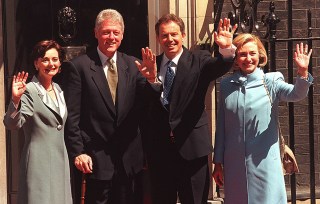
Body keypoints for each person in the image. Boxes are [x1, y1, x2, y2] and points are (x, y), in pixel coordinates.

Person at [135, 14, 237, 204]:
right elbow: (145, 106)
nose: (170, 39)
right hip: (160, 152)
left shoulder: (199, 60)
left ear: (183, 35)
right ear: (158, 38)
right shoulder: (150, 65)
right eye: (164, 35)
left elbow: (219, 66)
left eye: (174, 34)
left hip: (192, 150)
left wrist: (225, 49)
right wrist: (151, 80)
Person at [212, 33, 313, 204]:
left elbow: (296, 94)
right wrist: (218, 162)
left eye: (252, 53)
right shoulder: (226, 84)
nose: (248, 58)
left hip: (265, 163)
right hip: (234, 164)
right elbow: (221, 126)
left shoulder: (271, 81)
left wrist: (302, 73)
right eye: (242, 54)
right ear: (236, 58)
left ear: (260, 55)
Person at [60, 9, 146, 204]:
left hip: (129, 161)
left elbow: (148, 107)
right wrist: (78, 151)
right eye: (106, 32)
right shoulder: (79, 67)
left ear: (122, 35)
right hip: (95, 160)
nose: (111, 37)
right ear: (96, 33)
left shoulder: (135, 65)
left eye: (116, 32)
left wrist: (153, 80)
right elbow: (72, 116)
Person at [3, 40, 72, 204]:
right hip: (38, 163)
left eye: (55, 59)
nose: (51, 64)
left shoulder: (59, 89)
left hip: (60, 161)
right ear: (36, 63)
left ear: (60, 63)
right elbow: (13, 124)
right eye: (45, 59)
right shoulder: (30, 90)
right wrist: (15, 100)